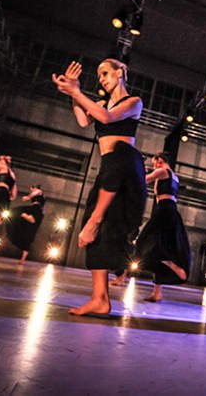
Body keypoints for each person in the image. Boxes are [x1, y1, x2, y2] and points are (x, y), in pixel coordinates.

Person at [52, 59, 147, 316]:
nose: (102, 79)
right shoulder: (102, 103)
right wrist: (73, 91)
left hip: (122, 166)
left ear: (121, 72)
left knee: (97, 224)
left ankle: (102, 295)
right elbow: (83, 120)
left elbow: (106, 118)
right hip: (108, 166)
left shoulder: (133, 102)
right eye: (99, 75)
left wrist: (76, 92)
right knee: (94, 226)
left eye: (105, 73)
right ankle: (100, 298)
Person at [135, 152, 191, 302]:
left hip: (164, 209)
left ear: (160, 160)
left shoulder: (162, 171)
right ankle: (157, 292)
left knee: (144, 241)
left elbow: (143, 180)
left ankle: (170, 264)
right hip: (170, 210)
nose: (154, 166)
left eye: (154, 163)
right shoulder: (174, 176)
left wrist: (140, 170)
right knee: (162, 244)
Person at [7, 184, 46, 265]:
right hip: (34, 210)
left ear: (35, 188)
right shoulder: (38, 196)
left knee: (16, 211)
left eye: (32, 189)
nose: (31, 191)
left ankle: (29, 217)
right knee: (27, 234)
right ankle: (22, 259)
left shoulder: (39, 191)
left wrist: (28, 197)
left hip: (36, 210)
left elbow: (35, 193)